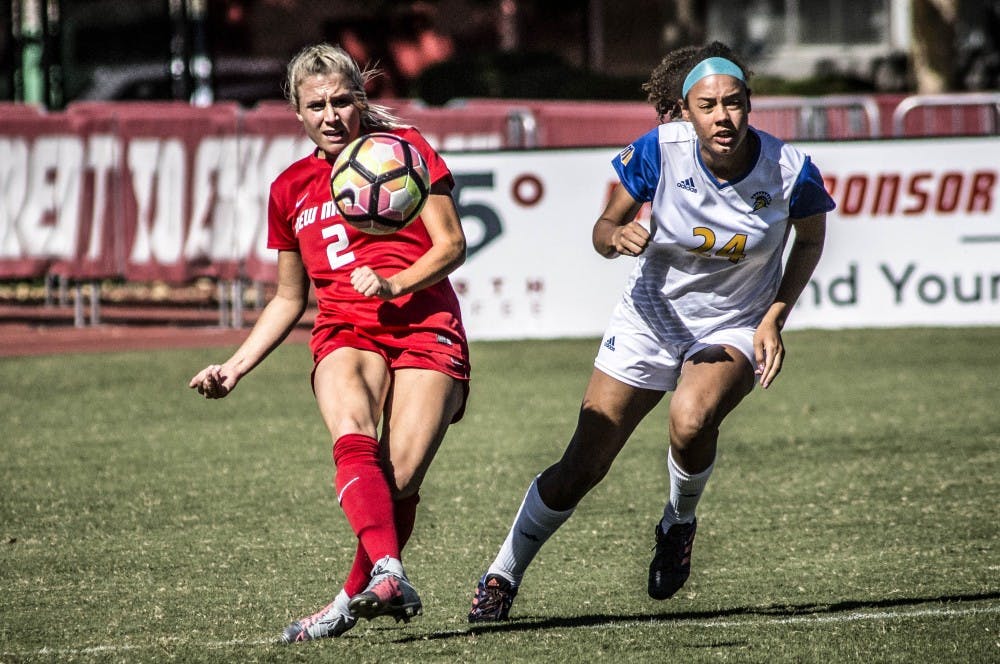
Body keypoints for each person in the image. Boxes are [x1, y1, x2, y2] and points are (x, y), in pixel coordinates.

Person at [468, 41, 834, 622]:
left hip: (734, 322)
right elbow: (603, 226)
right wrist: (616, 238)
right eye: (707, 105)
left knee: (691, 421)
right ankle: (501, 575)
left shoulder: (790, 169)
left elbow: (811, 237)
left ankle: (678, 522)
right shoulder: (659, 152)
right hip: (651, 318)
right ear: (686, 110)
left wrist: (774, 315)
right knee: (581, 467)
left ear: (749, 104)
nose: (723, 117)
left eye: (734, 103)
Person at [188, 43, 470, 642]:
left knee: (399, 481)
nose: (331, 115)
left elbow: (451, 246)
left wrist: (394, 282)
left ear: (361, 101)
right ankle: (390, 572)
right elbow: (290, 299)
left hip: (424, 326)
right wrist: (235, 366)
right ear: (297, 111)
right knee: (352, 433)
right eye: (316, 105)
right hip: (345, 329)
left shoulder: (407, 149)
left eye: (343, 101)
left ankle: (350, 597)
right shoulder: (290, 187)